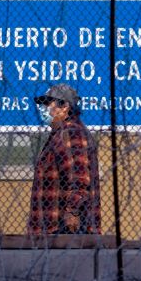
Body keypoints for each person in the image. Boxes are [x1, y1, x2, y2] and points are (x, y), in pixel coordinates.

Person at [27, 84, 102, 235]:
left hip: (64, 230)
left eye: (49, 103)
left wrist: (72, 212)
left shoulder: (70, 134)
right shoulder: (59, 134)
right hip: (51, 228)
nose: (44, 108)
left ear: (65, 107)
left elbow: (79, 177)